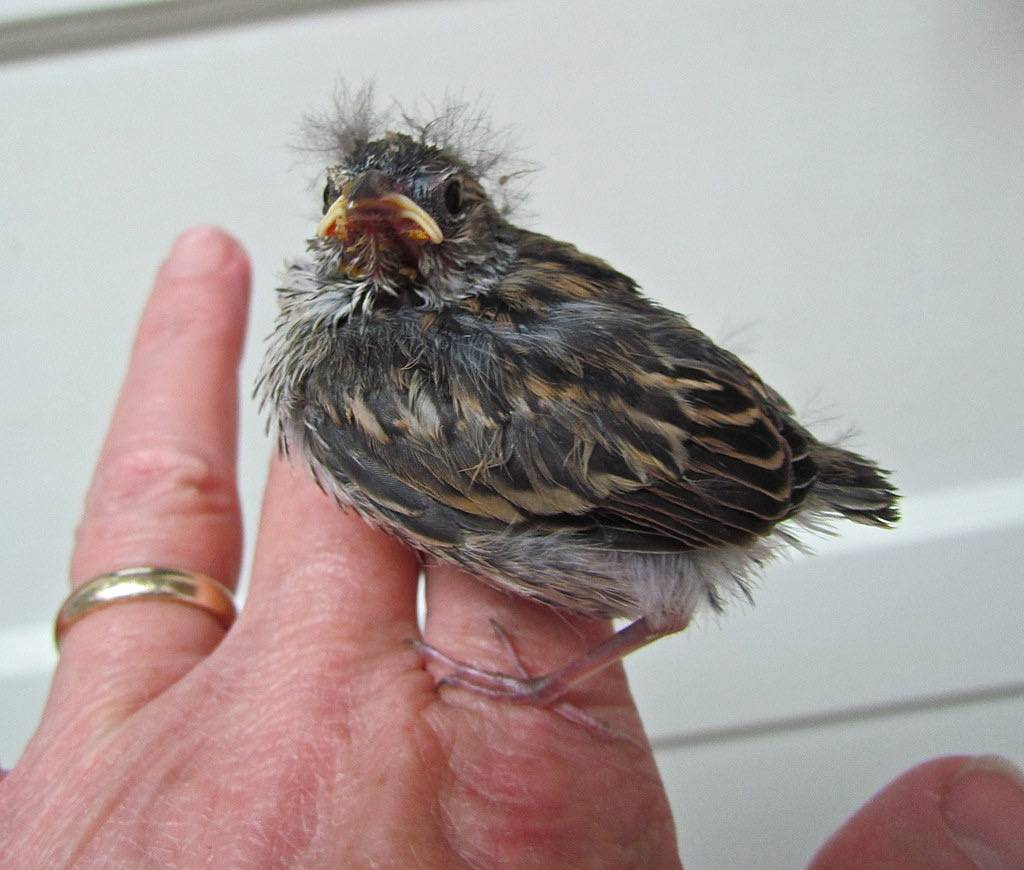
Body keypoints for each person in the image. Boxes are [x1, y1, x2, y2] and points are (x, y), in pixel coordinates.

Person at [0, 227, 1020, 868]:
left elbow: (668, 511)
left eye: (430, 203)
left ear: (471, 218)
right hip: (722, 442)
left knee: (641, 603)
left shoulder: (386, 397)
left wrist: (544, 684)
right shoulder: (378, 376)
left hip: (699, 495)